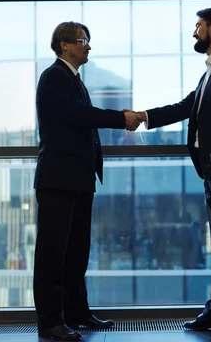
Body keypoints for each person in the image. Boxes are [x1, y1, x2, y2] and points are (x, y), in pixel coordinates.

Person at [131, 8, 211, 340]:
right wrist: (144, 116)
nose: (194, 32)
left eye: (198, 26)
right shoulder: (210, 73)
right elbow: (183, 107)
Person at [33, 21, 140, 341]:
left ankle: (77, 313)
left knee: (77, 251)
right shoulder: (54, 76)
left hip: (77, 179)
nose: (88, 46)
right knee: (52, 254)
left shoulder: (73, 79)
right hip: (58, 179)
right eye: (82, 41)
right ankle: (51, 322)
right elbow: (80, 116)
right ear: (64, 45)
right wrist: (121, 118)